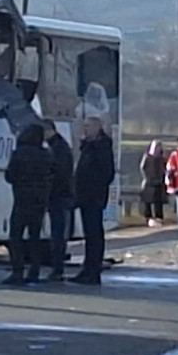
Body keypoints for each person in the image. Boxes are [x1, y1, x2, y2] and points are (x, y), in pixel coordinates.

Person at [3, 123, 54, 284]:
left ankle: (17, 270)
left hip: (22, 198)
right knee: (35, 237)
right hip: (39, 201)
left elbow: (10, 176)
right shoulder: (46, 154)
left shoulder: (19, 154)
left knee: (16, 236)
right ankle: (34, 271)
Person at [74, 116, 116, 285]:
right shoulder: (90, 146)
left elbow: (107, 173)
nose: (85, 129)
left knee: (94, 235)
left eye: (88, 126)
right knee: (89, 235)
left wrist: (92, 187)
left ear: (98, 128)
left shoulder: (101, 147)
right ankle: (88, 268)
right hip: (86, 196)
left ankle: (93, 270)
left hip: (93, 197)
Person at [42, 120, 76, 282]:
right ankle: (57, 267)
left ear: (50, 131)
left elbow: (59, 173)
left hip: (59, 195)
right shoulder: (60, 146)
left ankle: (57, 269)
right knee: (58, 233)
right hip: (61, 195)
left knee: (58, 233)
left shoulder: (57, 148)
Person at [139, 140, 168, 226]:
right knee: (147, 201)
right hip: (149, 182)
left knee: (158, 201)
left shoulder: (162, 158)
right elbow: (142, 168)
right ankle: (148, 217)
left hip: (159, 182)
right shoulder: (147, 157)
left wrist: (163, 176)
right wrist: (147, 177)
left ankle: (159, 218)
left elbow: (166, 168)